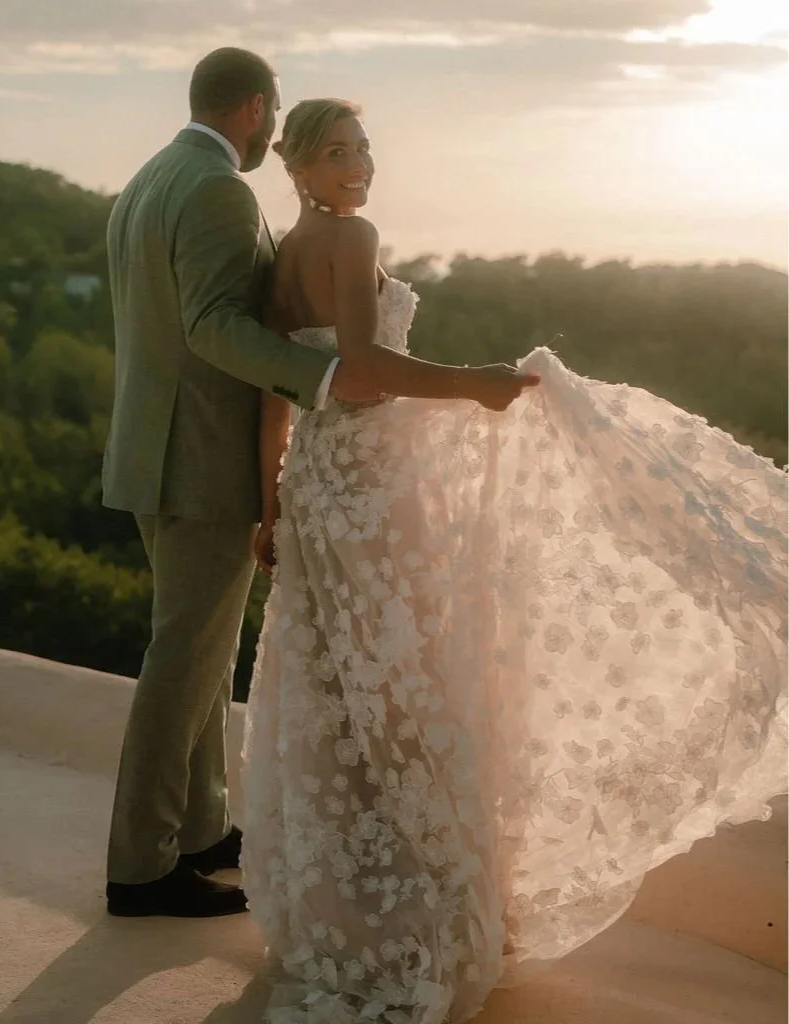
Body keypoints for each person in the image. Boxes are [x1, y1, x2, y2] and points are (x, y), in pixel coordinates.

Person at [239, 98, 788, 1022]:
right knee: (408, 689)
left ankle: (357, 910)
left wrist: (271, 502)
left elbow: (278, 390)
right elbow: (368, 369)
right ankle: (427, 908)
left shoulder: (278, 259)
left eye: (366, 147)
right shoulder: (350, 235)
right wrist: (478, 388)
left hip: (318, 490)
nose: (359, 164)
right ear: (296, 166)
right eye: (338, 151)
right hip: (370, 484)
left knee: (340, 693)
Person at [100, 51, 388, 919]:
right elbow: (213, 325)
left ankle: (200, 831)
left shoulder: (151, 178)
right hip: (200, 459)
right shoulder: (220, 188)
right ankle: (141, 869)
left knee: (201, 651)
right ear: (258, 109)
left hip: (152, 454)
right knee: (181, 663)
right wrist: (326, 378)